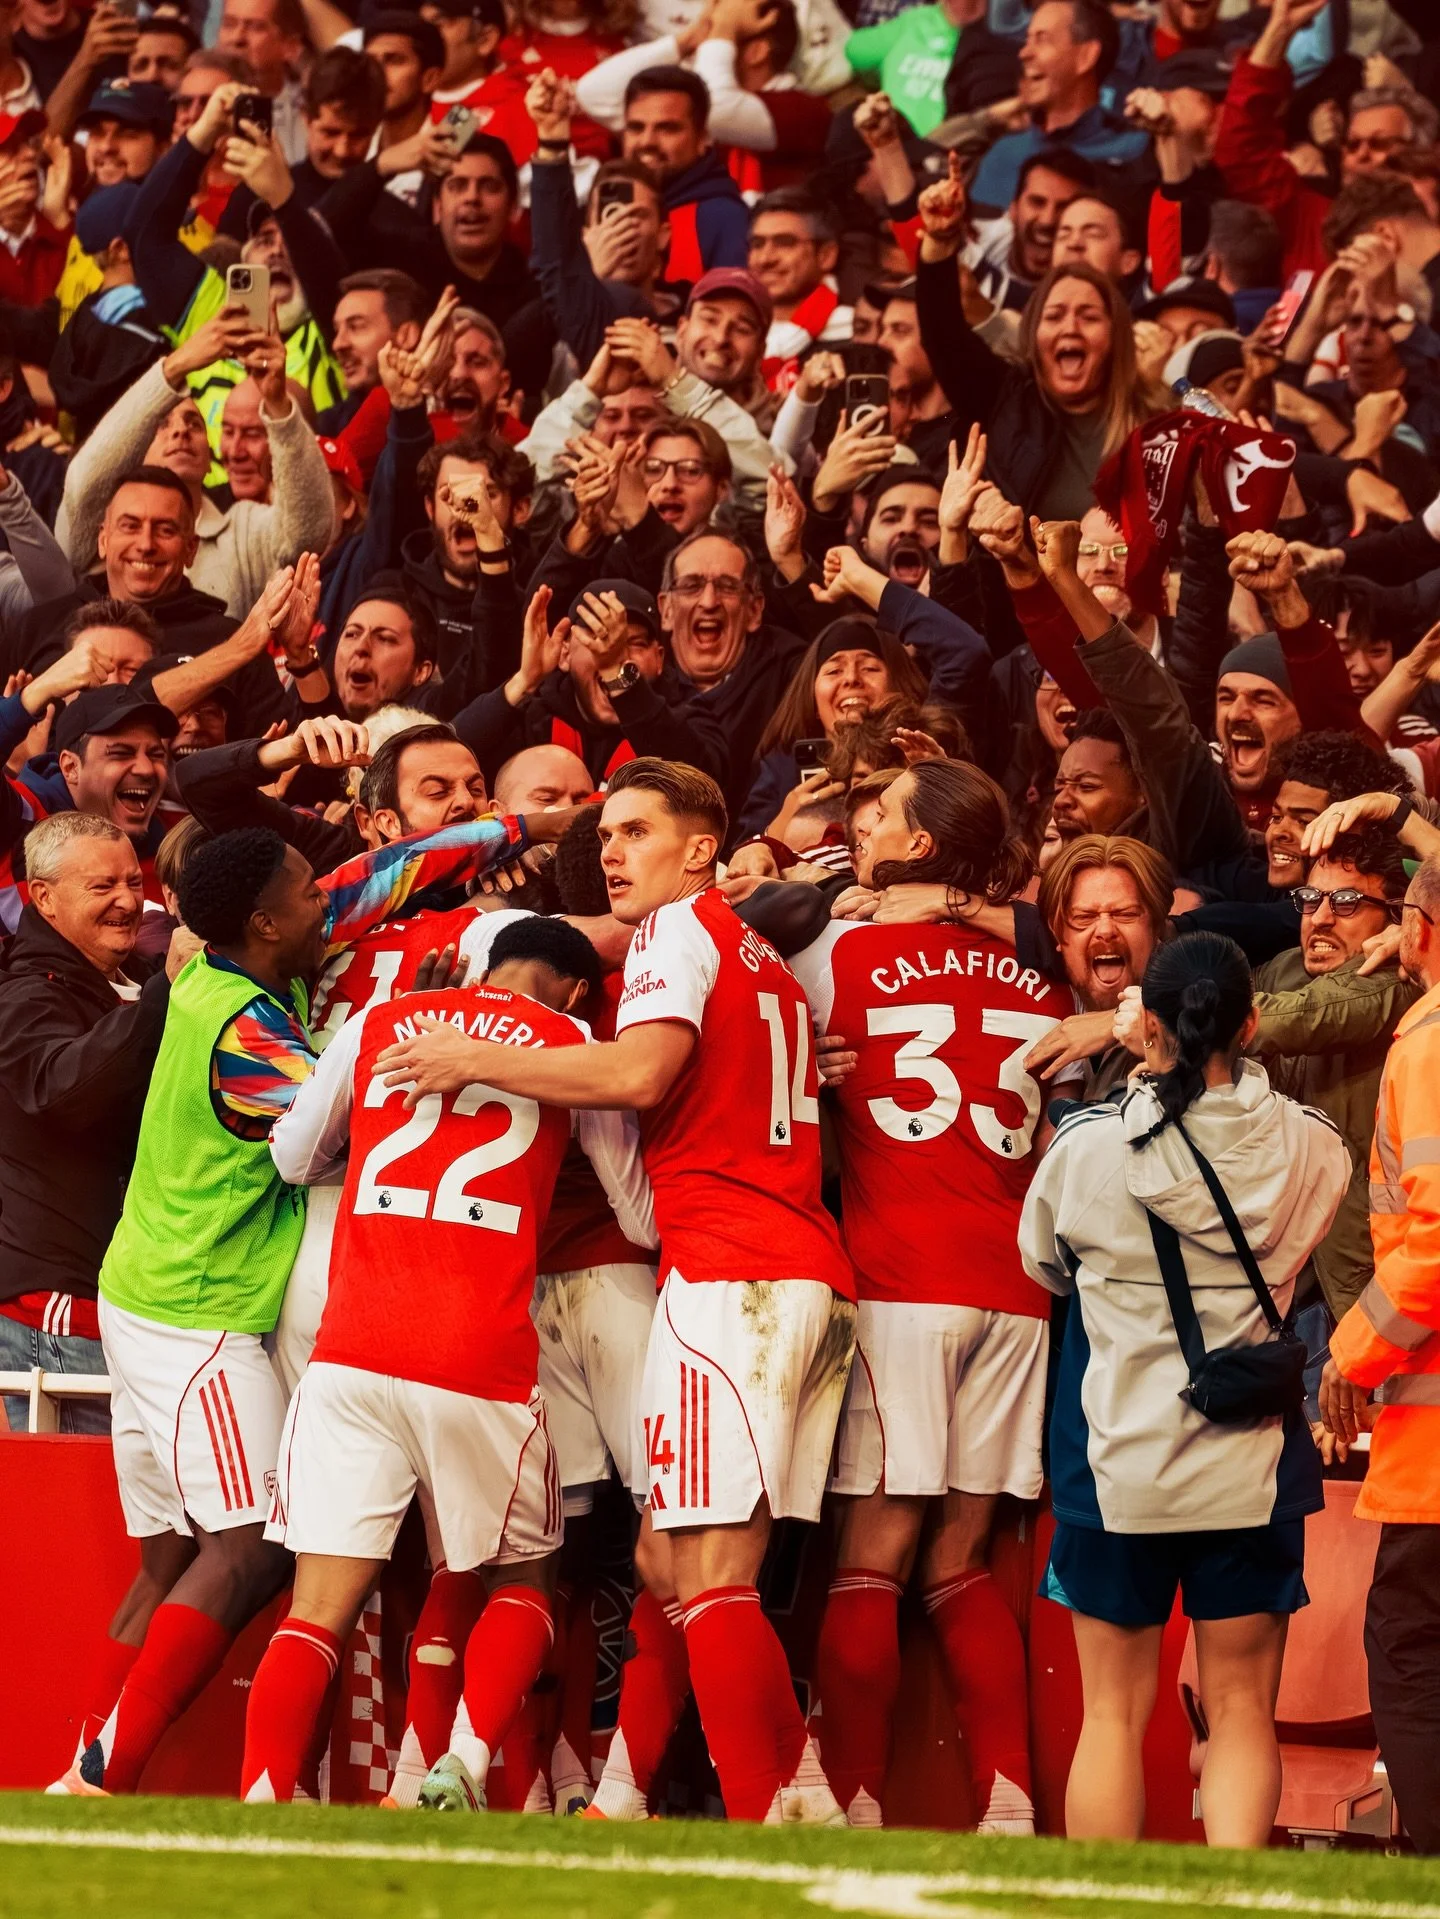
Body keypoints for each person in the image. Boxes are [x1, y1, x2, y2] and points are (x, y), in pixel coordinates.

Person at [373, 756, 857, 1824]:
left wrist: (475, 1057)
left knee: (712, 1571)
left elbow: (637, 1073)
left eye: (638, 831)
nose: (614, 850)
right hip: (805, 1273)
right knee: (668, 1555)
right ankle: (796, 1796)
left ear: (701, 850)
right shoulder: (760, 953)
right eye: (608, 835)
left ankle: (759, 1816)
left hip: (735, 1274)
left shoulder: (678, 932)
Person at [57, 810, 541, 1799]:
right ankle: (108, 1774)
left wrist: (516, 826)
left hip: (143, 1287)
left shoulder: (206, 969)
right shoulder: (248, 1035)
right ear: (267, 925)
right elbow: (360, 1114)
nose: (331, 903)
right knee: (252, 1546)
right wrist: (413, 1016)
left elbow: (370, 878)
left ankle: (72, 1777)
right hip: (202, 1309)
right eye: (307, 897)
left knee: (167, 1563)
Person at [243, 915, 654, 1808]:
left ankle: (262, 1803)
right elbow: (639, 1212)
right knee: (525, 1573)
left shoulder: (384, 1019)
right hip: (477, 1355)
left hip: (352, 1345)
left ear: (482, 967)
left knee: (316, 1606)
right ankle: (459, 1764)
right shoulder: (575, 1042)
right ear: (578, 989)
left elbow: (293, 1155)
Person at [1021, 931, 1348, 1846]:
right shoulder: (1313, 1147)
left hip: (1114, 1460)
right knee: (1243, 1708)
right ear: (1251, 1022)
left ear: (1147, 1028)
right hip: (1249, 1461)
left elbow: (1043, 1263)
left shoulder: (1086, 1154)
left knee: (1112, 1717)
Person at [791, 760, 1059, 1834]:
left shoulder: (837, 948)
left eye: (881, 811)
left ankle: (853, 1804)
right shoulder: (1032, 977)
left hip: (901, 1276)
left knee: (873, 1552)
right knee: (959, 1555)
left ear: (915, 846)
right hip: (1015, 1289)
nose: (861, 821)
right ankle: (1010, 1800)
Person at [1321, 853, 1440, 1856]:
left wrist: (1350, 1353)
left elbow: (1433, 1238)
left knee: (1413, 1644)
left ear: (1424, 930)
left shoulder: (1433, 1039)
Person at [0, 814, 189, 1441]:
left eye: (134, 883)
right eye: (102, 885)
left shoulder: (126, 982)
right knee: (75, 1522)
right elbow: (62, 1090)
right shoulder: (24, 996)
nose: (127, 901)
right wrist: (167, 991)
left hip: (126, 1309)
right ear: (44, 897)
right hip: (61, 1315)